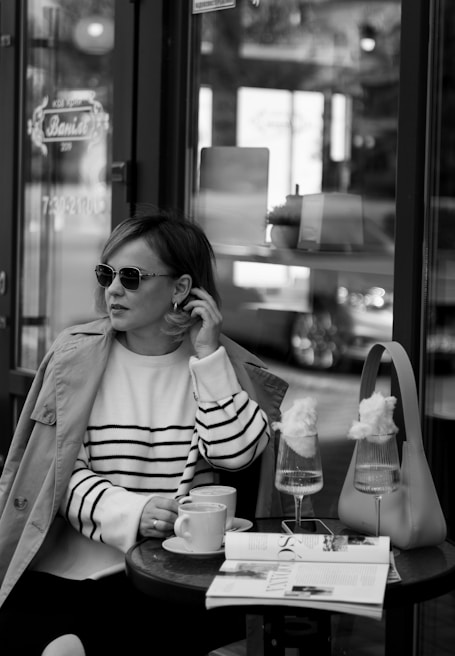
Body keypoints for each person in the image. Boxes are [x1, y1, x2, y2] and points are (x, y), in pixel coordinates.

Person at [0, 209, 288, 655]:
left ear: (180, 288)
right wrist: (135, 513)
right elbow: (59, 477)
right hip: (76, 571)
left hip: (180, 576)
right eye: (107, 273)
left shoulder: (223, 367)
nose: (113, 289)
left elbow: (237, 456)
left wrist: (208, 358)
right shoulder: (73, 360)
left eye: (131, 276)